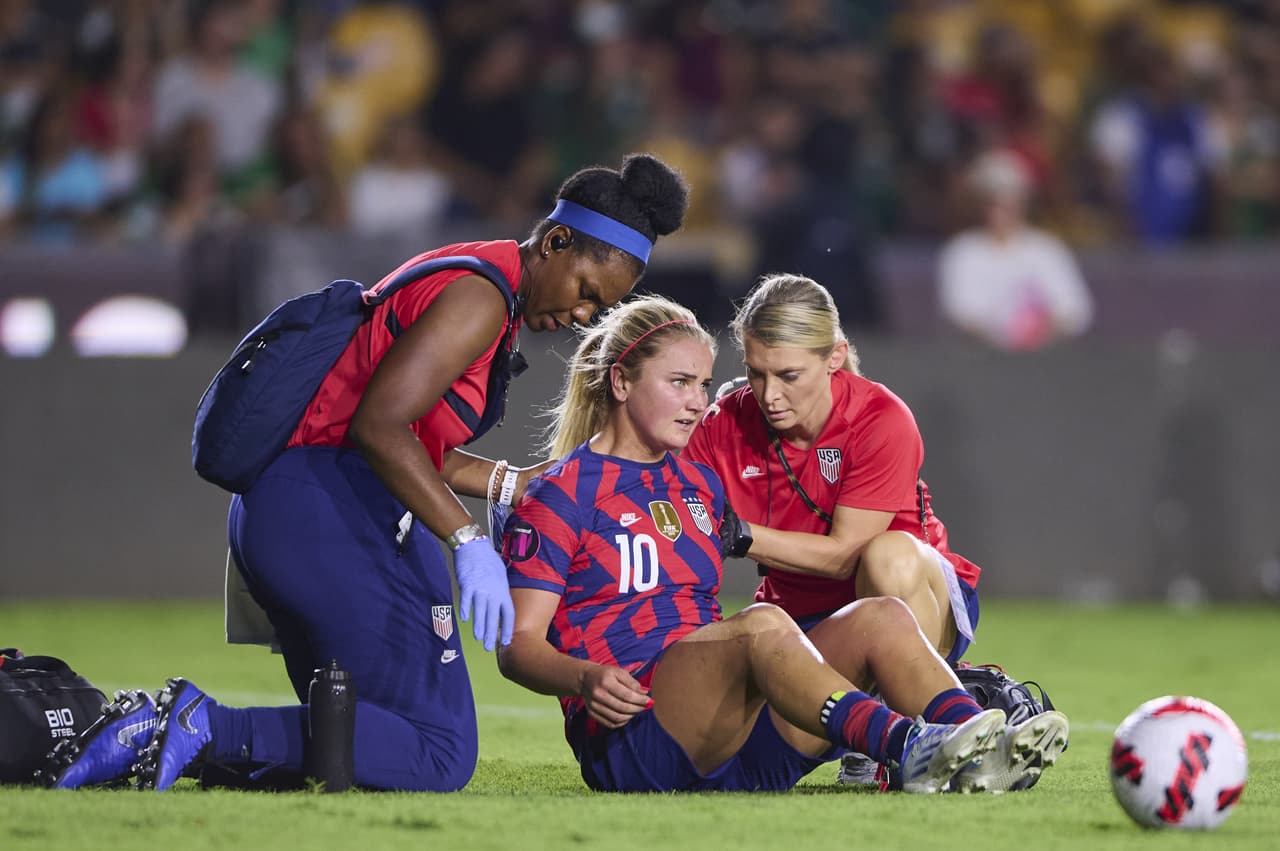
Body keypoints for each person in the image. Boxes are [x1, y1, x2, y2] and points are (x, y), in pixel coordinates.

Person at [39, 153, 689, 793]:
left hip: (299, 506)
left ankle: (151, 742)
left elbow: (409, 437)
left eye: (598, 309)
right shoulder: (480, 299)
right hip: (326, 505)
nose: (582, 316)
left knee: (358, 743)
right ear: (556, 240)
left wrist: (508, 483)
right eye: (585, 292)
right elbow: (377, 428)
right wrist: (468, 540)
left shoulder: (478, 277)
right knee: (439, 752)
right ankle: (192, 721)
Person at [496, 294, 1068, 794]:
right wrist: (582, 679)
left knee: (883, 617)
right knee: (764, 621)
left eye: (701, 383)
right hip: (635, 736)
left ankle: (981, 745)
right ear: (621, 382)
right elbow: (516, 646)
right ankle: (906, 747)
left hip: (733, 735)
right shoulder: (560, 495)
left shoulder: (694, 479)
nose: (699, 401)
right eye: (679, 383)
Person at [681, 272, 1069, 791]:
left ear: (834, 357)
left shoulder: (880, 418)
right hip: (804, 623)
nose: (770, 395)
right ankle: (971, 716)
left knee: (886, 557)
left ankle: (891, 741)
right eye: (756, 373)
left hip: (913, 597)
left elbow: (846, 554)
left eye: (789, 375)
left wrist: (742, 534)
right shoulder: (725, 424)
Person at [937, 149, 1094, 352]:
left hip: (1045, 362)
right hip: (981, 362)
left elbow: (1074, 312)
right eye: (993, 204)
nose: (1000, 213)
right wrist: (1002, 337)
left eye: (1010, 203)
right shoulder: (963, 252)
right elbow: (959, 313)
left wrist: (1038, 333)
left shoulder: (1046, 250)